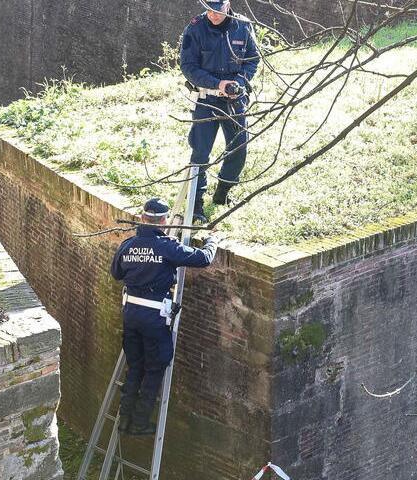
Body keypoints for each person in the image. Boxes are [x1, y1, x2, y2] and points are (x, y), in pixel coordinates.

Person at [110, 198, 218, 435]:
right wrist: (213, 240)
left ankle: (124, 420)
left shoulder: (127, 246)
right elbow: (204, 259)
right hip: (154, 319)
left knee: (135, 366)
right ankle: (139, 423)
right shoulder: (167, 247)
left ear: (142, 219)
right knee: (155, 367)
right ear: (164, 222)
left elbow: (116, 274)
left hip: (131, 315)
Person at [180, 0, 260, 222]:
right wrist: (218, 84)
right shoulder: (195, 28)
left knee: (238, 148)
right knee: (200, 153)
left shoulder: (242, 26)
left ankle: (222, 193)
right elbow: (188, 66)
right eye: (209, 9)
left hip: (234, 100)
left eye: (217, 9)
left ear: (228, 5)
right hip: (206, 100)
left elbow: (253, 60)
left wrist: (239, 83)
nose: (213, 15)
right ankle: (195, 205)